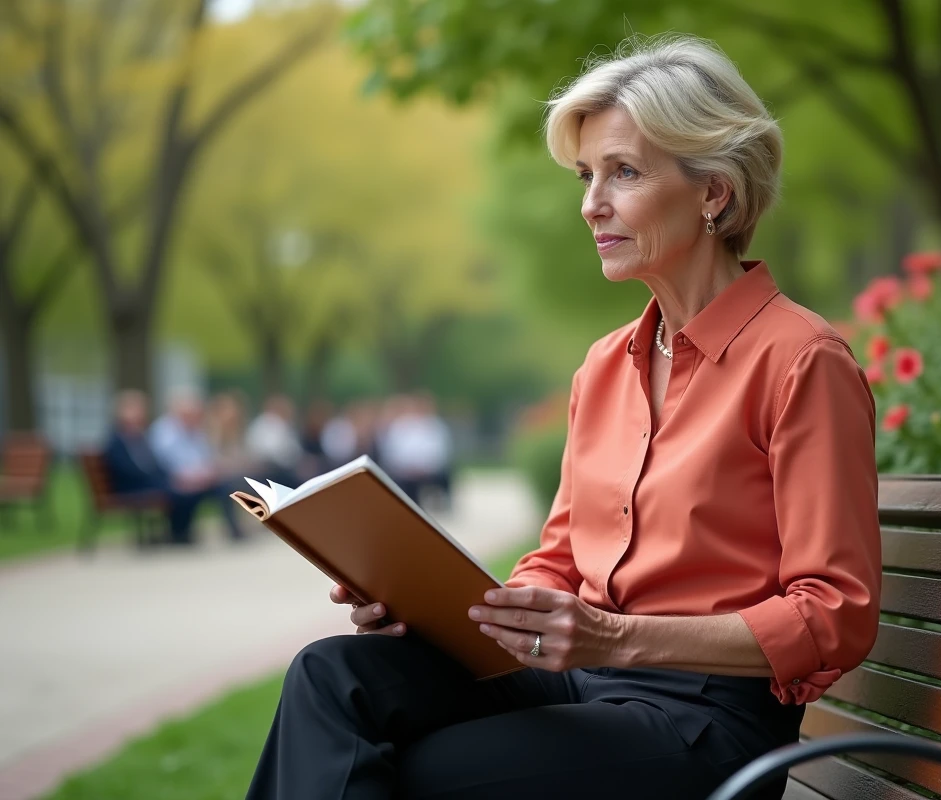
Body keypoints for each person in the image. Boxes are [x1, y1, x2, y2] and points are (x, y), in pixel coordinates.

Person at [248, 34, 881, 800]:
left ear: (713, 192)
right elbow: (555, 564)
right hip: (583, 683)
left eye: (624, 172)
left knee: (420, 773)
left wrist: (614, 637)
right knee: (333, 675)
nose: (591, 204)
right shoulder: (605, 366)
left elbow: (834, 616)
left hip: (707, 725)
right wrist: (435, 608)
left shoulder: (802, 359)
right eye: (586, 175)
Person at [102, 390, 240, 545]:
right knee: (180, 491)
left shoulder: (139, 436)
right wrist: (171, 478)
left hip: (156, 481)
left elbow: (154, 464)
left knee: (217, 486)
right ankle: (179, 532)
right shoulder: (118, 440)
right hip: (132, 486)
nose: (139, 414)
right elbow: (128, 469)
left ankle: (188, 532)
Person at [147, 388, 245, 543]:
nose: (196, 418)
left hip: (196, 479)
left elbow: (204, 457)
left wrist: (206, 473)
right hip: (172, 479)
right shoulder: (164, 431)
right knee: (185, 491)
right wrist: (192, 476)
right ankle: (180, 532)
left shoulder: (195, 431)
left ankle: (234, 530)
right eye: (191, 415)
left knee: (225, 486)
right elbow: (166, 463)